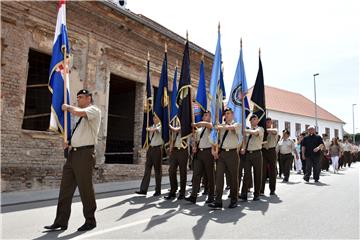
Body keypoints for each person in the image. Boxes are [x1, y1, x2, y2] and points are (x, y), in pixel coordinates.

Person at [44, 89, 101, 231]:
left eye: (81, 97)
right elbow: (79, 133)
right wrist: (69, 142)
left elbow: (79, 112)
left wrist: (68, 107)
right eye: (77, 97)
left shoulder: (94, 110)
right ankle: (61, 221)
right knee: (65, 189)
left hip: (85, 154)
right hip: (73, 154)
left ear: (89, 98)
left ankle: (90, 220)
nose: (78, 100)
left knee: (85, 188)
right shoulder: (78, 117)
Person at [208, 108, 241, 209]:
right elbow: (215, 139)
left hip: (232, 154)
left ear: (232, 114)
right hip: (221, 154)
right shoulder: (220, 126)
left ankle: (234, 200)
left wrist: (219, 126)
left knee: (233, 178)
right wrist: (214, 150)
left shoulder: (237, 124)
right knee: (219, 177)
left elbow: (231, 128)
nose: (226, 115)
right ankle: (218, 201)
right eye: (225, 114)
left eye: (228, 113)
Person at [185, 111, 215, 204]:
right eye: (204, 115)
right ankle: (193, 196)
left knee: (210, 175)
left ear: (210, 117)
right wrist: (193, 145)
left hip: (208, 152)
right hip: (199, 153)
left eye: (206, 115)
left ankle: (211, 196)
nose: (203, 116)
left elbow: (208, 125)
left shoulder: (212, 126)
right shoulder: (199, 129)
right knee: (196, 174)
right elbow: (195, 141)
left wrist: (196, 124)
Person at [135, 115, 163, 196]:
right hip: (150, 148)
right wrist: (149, 129)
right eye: (153, 118)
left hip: (157, 149)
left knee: (157, 170)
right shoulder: (151, 126)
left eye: (156, 118)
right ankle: (143, 189)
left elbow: (156, 130)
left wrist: (150, 129)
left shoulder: (161, 126)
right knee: (147, 169)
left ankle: (158, 190)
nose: (154, 119)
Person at [239, 114, 264, 201]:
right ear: (250, 121)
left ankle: (256, 194)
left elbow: (255, 133)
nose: (253, 120)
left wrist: (245, 130)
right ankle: (244, 194)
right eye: (252, 119)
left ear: (257, 121)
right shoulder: (247, 131)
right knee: (246, 174)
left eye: (255, 119)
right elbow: (244, 142)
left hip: (257, 153)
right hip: (248, 154)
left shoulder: (260, 129)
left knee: (257, 174)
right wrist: (243, 148)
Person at [165, 122, 189, 200]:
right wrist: (171, 148)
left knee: (182, 172)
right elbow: (172, 137)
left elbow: (176, 130)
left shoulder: (186, 124)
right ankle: (173, 191)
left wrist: (171, 127)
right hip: (175, 151)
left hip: (183, 150)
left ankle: (182, 193)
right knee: (171, 170)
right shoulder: (175, 123)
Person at [260, 117, 278, 195]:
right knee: (262, 171)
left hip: (271, 151)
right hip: (263, 151)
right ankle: (261, 190)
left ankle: (272, 189)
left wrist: (264, 130)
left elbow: (274, 131)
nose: (267, 123)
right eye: (266, 122)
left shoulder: (274, 130)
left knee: (272, 171)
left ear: (271, 123)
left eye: (269, 122)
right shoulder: (262, 131)